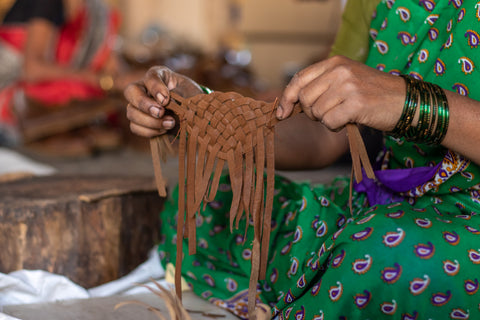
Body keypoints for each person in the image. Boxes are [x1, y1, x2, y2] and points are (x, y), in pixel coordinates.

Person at [125, 0, 480, 318]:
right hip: (390, 200)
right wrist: (201, 113)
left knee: (379, 255)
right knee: (213, 205)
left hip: (460, 223)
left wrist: (411, 103)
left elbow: (396, 101)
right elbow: (324, 133)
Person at [0, 0, 137, 146]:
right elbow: (31, 69)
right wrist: (91, 78)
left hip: (57, 80)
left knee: (116, 92)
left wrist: (125, 80)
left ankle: (75, 128)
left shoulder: (96, 11)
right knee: (80, 89)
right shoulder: (45, 4)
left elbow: (110, 64)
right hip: (12, 91)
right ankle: (63, 129)